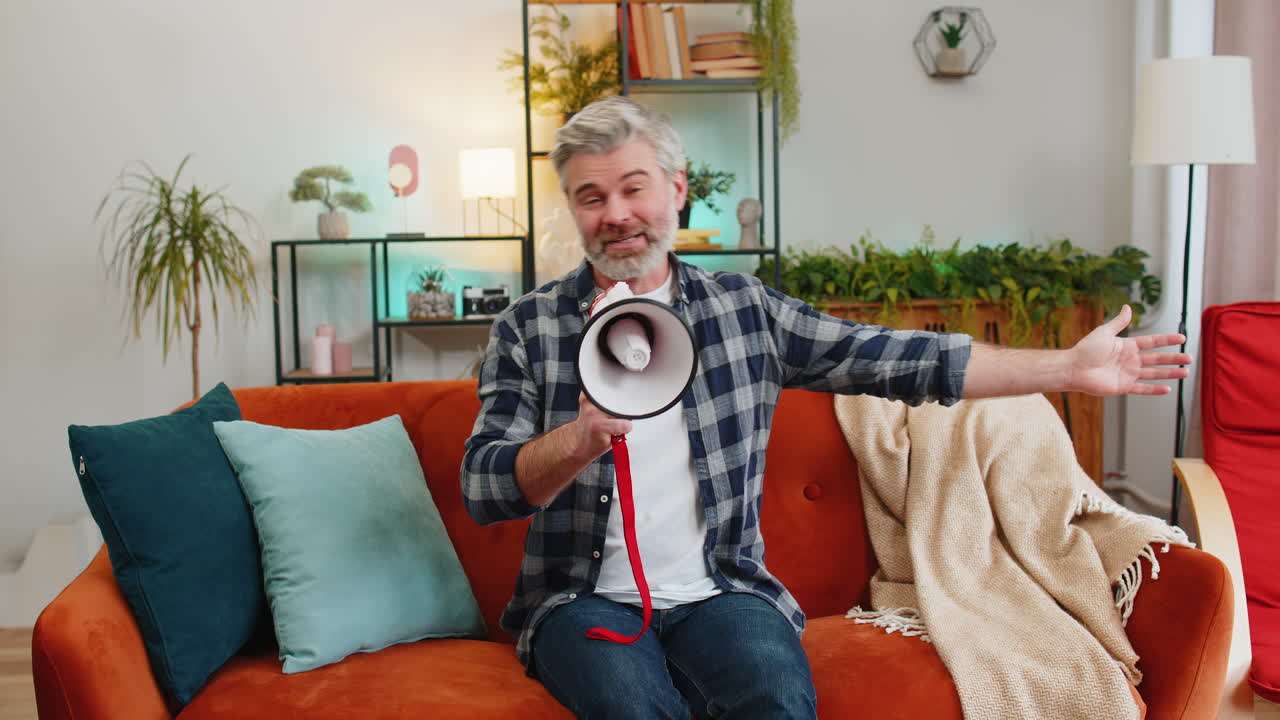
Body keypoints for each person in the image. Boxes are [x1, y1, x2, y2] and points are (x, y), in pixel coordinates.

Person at [460, 96, 1190, 719]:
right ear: (573, 210)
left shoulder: (745, 312)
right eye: (592, 197)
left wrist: (1066, 366)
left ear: (677, 188)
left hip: (723, 592)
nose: (616, 214)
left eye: (634, 187)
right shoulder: (527, 328)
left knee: (777, 699)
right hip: (581, 602)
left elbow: (904, 360)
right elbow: (485, 488)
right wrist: (581, 439)